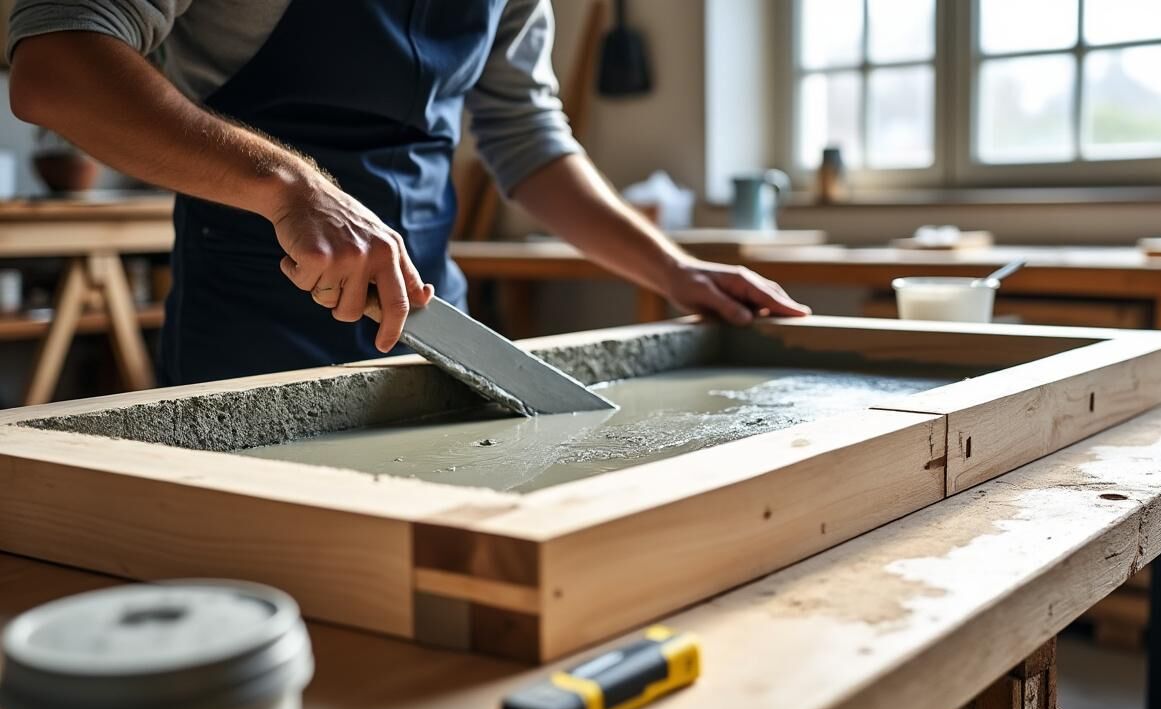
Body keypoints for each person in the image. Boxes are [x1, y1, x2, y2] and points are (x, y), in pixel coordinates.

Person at [7, 0, 811, 385]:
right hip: (252, 325)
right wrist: (290, 187)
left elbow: (527, 136)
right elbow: (56, 64)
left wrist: (676, 272)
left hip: (434, 323)